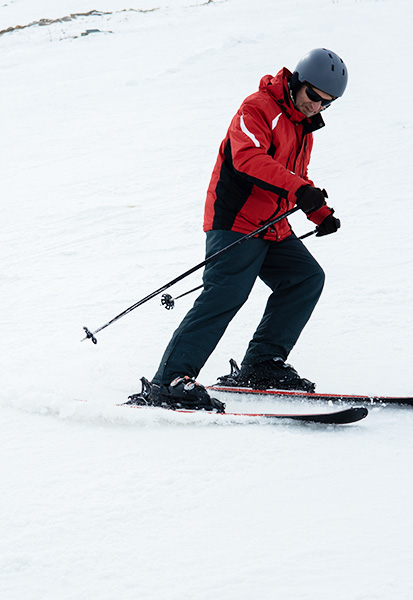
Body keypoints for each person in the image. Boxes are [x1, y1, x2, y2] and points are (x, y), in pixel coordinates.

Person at [130, 48, 348, 412]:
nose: (317, 107)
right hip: (235, 220)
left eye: (327, 103)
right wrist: (299, 191)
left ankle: (263, 364)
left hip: (272, 225)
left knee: (305, 278)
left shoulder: (302, 129)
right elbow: (248, 156)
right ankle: (170, 381)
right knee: (226, 292)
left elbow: (297, 176)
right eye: (314, 96)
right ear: (297, 82)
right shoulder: (257, 108)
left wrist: (319, 213)